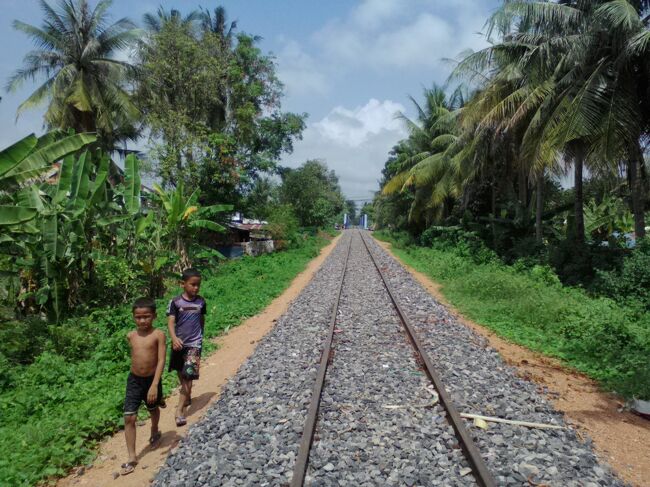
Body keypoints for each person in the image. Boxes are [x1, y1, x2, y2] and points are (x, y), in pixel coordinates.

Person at [121, 297, 166, 476]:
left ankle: (154, 428)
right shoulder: (131, 336)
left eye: (146, 316)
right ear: (133, 317)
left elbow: (161, 360)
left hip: (151, 380)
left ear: (154, 316)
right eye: (138, 317)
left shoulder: (158, 335)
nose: (142, 321)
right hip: (134, 381)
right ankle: (132, 456)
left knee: (152, 408)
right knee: (129, 417)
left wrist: (155, 385)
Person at [167, 268, 207, 427]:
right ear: (182, 284)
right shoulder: (175, 302)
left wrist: (201, 335)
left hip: (194, 345)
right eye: (192, 285)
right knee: (180, 373)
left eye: (198, 285)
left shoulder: (201, 302)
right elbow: (171, 322)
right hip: (179, 344)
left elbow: (201, 320)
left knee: (188, 378)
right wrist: (174, 338)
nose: (196, 288)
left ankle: (179, 411)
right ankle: (187, 395)